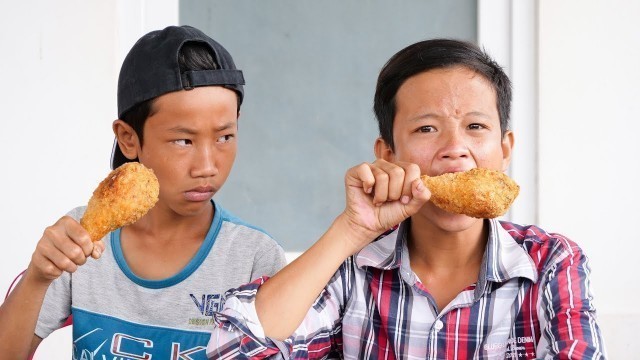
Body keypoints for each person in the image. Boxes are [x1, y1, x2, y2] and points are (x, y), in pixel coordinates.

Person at [206, 39, 607, 359]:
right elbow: (233, 350)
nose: (455, 148)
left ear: (504, 150)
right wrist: (350, 231)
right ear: (388, 154)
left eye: (475, 126)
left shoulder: (552, 264)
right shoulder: (352, 270)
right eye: (427, 128)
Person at [0, 25, 286, 359]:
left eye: (224, 137)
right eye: (183, 140)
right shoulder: (79, 239)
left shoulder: (254, 258)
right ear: (128, 138)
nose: (207, 166)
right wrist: (37, 277)